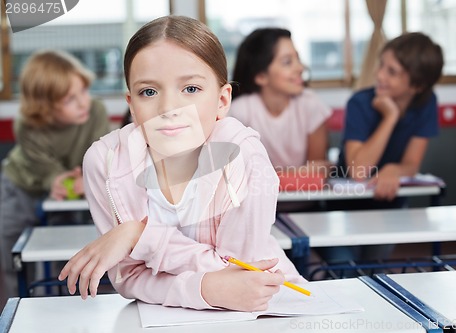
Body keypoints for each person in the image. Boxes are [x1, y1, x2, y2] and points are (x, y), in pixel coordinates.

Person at [58, 15, 305, 312]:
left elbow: (241, 277)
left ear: (222, 101)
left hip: (269, 311)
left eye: (190, 89)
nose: (169, 108)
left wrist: (138, 236)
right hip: (160, 317)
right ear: (132, 105)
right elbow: (128, 278)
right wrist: (205, 289)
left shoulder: (244, 154)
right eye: (149, 92)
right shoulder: (105, 161)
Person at [318, 32, 444, 268]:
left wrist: (394, 170)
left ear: (417, 85)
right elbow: (358, 171)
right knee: (344, 268)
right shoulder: (360, 103)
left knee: (374, 268)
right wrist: (391, 117)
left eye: (392, 72)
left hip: (388, 206)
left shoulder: (427, 103)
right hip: (343, 208)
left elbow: (412, 164)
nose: (379, 75)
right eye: (382, 65)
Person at [0, 50, 110, 307]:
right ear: (45, 106)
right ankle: (17, 306)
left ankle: (65, 305)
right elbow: (47, 172)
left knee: (67, 246)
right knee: (13, 249)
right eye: (71, 99)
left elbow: (103, 152)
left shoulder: (95, 111)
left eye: (83, 91)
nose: (84, 102)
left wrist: (88, 176)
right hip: (22, 186)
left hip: (71, 187)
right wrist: (58, 180)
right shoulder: (28, 125)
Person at [229, 28, 332, 175]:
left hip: (305, 195)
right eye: (287, 62)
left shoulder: (310, 104)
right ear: (260, 76)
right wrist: (293, 174)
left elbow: (317, 171)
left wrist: (273, 176)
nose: (300, 68)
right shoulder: (240, 111)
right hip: (258, 197)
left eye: (298, 59)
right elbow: (236, 173)